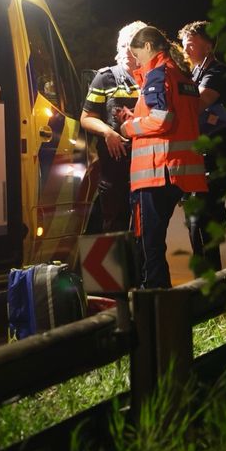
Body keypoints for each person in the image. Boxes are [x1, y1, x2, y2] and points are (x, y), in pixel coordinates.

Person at [118, 26, 208, 289]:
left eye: (137, 55)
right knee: (156, 243)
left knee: (150, 245)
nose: (136, 61)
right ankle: (165, 307)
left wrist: (128, 127)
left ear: (148, 47)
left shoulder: (158, 74)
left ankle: (157, 306)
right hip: (179, 173)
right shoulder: (182, 76)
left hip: (157, 173)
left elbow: (162, 119)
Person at [179, 20, 226, 274]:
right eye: (183, 45)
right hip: (198, 158)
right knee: (195, 220)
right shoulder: (194, 72)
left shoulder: (216, 72)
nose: (186, 49)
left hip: (217, 158)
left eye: (191, 43)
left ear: (209, 44)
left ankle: (213, 288)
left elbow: (198, 103)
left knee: (205, 218)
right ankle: (207, 286)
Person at [79, 20, 147, 232]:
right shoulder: (105, 77)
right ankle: (118, 266)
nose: (127, 49)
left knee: (147, 231)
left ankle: (142, 266)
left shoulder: (154, 78)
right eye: (123, 44)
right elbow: (87, 117)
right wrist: (108, 133)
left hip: (147, 168)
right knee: (115, 229)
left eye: (133, 44)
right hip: (115, 169)